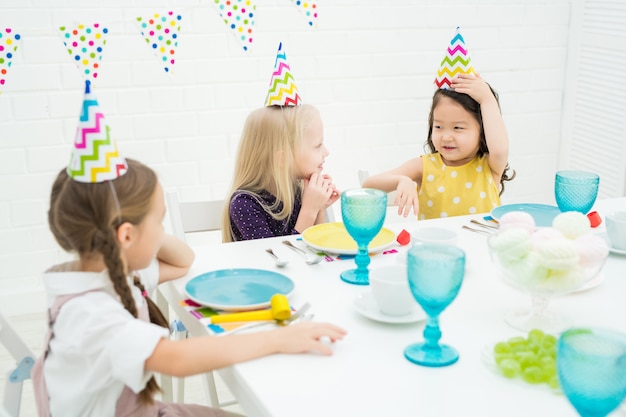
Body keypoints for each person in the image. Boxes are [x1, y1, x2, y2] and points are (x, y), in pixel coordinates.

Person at [38, 158, 347, 416]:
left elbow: (183, 261)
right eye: (159, 223)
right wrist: (279, 339)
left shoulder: (111, 270)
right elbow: (177, 359)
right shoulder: (89, 312)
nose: (162, 232)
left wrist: (146, 232)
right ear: (127, 236)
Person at [362, 73, 515, 220]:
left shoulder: (489, 166)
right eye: (439, 127)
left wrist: (487, 99)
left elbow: (500, 150)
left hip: (479, 245)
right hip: (435, 246)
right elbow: (368, 186)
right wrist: (400, 180)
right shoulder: (423, 166)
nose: (446, 137)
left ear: (483, 131)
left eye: (458, 128)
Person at [222, 104, 339, 242]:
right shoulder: (245, 204)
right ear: (283, 158)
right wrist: (309, 210)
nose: (326, 152)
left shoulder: (298, 190)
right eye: (317, 145)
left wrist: (320, 208)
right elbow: (279, 257)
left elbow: (317, 247)